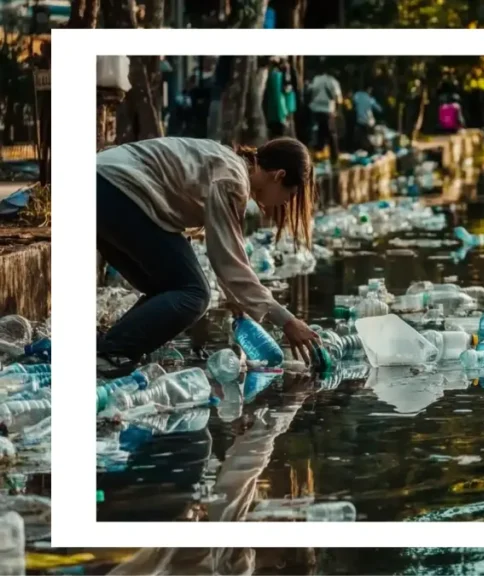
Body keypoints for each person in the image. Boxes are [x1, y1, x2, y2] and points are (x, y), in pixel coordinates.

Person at [95, 137, 321, 376]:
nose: (285, 202)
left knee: (169, 286)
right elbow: (230, 263)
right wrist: (287, 321)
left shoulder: (229, 164)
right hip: (115, 188)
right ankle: (109, 355)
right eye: (290, 194)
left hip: (102, 184)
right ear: (278, 176)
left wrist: (239, 298)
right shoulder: (232, 180)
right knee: (196, 294)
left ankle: (107, 349)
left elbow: (218, 255)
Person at [307, 68, 343, 160]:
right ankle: (334, 157)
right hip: (327, 110)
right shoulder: (333, 81)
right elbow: (338, 98)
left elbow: (310, 91)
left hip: (314, 109)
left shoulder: (316, 79)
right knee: (332, 134)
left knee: (319, 132)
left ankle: (317, 154)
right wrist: (338, 111)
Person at [352, 86, 382, 151]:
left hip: (359, 121)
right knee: (369, 138)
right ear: (368, 89)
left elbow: (353, 104)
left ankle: (359, 149)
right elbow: (379, 109)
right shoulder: (370, 99)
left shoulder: (357, 95)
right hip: (368, 122)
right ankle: (369, 149)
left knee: (360, 138)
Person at [264, 58, 289, 138]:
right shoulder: (279, 75)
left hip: (273, 111)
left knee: (273, 132)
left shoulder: (272, 75)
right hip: (279, 112)